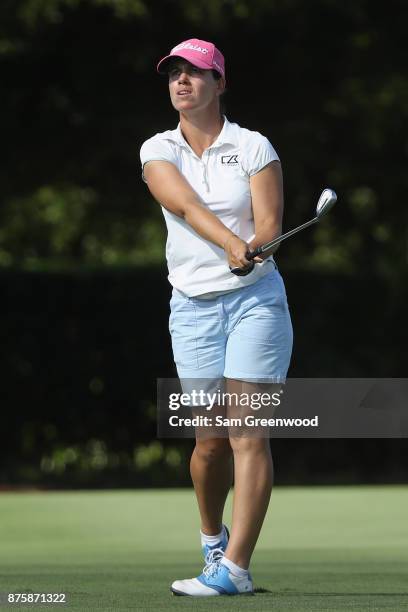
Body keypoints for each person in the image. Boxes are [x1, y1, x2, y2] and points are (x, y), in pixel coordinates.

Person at [140, 38, 293, 597]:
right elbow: (182, 204)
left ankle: (234, 568)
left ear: (220, 83)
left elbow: (271, 225)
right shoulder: (157, 148)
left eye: (196, 74)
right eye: (174, 73)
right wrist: (231, 241)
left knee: (248, 431)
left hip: (255, 302)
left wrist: (257, 246)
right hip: (192, 308)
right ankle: (212, 537)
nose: (182, 82)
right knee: (209, 443)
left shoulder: (253, 146)